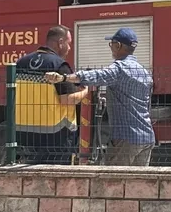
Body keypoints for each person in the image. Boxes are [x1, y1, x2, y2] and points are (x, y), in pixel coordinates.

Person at [45, 27, 154, 166]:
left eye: (112, 44)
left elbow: (96, 76)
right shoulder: (145, 73)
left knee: (113, 183)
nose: (111, 48)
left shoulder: (120, 68)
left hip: (126, 139)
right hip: (147, 137)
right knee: (139, 184)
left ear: (118, 45)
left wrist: (64, 78)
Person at [14, 26, 88, 164]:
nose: (69, 48)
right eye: (68, 43)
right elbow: (67, 99)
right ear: (60, 42)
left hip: (24, 137)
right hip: (56, 139)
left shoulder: (20, 63)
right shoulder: (59, 65)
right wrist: (85, 91)